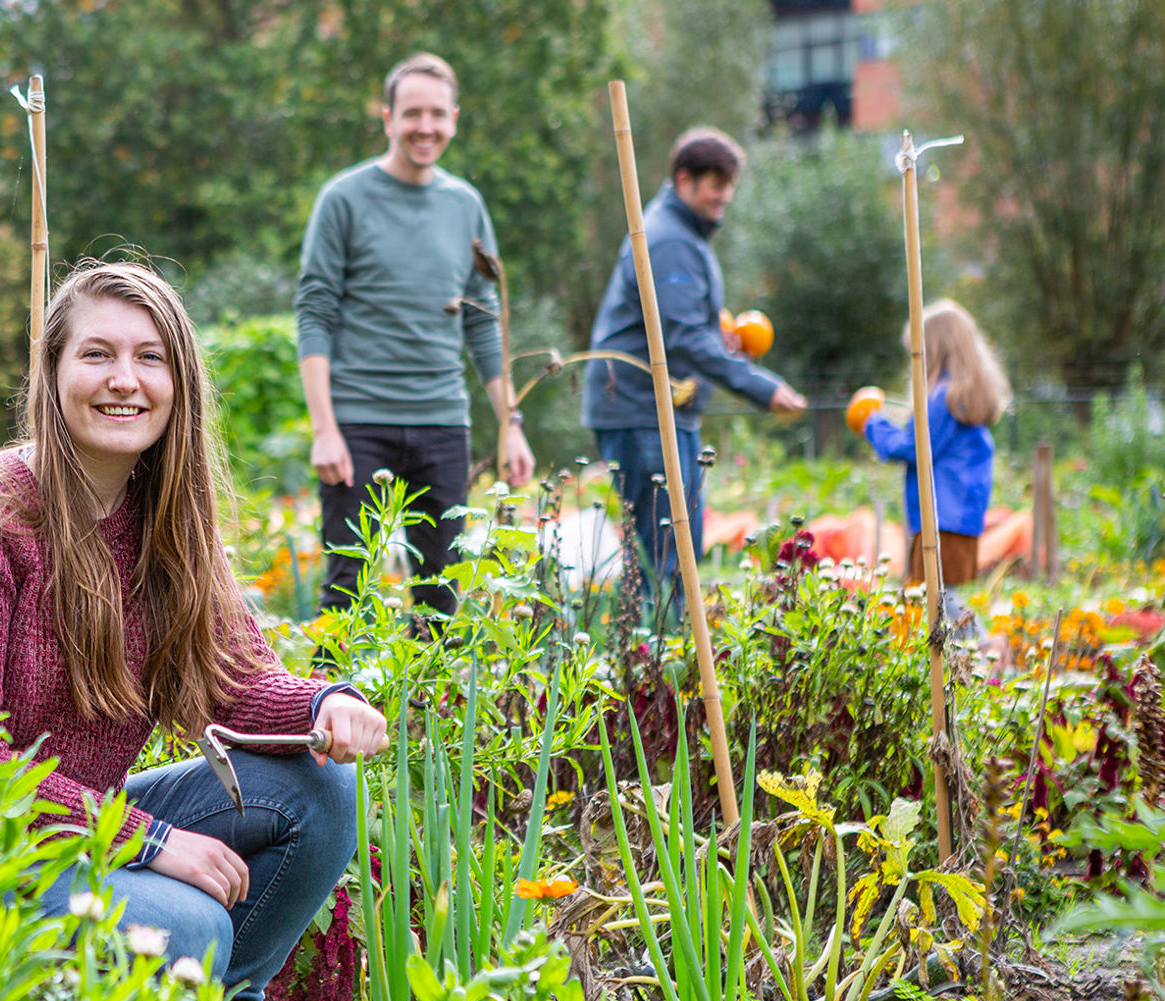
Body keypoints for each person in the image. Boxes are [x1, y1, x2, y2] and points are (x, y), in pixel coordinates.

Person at [0, 262, 387, 1001]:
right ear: (51, 373)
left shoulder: (167, 520)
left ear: (179, 384)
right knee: (190, 923)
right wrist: (147, 843)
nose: (125, 380)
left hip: (74, 824)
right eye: (96, 354)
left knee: (318, 788)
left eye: (150, 357)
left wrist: (329, 702)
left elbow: (237, 681)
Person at [296, 53, 535, 622]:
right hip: (358, 425)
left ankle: (427, 710)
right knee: (347, 591)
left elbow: (483, 320)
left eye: (437, 114)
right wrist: (324, 429)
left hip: (443, 423)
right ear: (387, 118)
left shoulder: (465, 205)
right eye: (411, 113)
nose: (424, 127)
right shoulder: (343, 199)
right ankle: (331, 712)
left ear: (454, 118)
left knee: (442, 594)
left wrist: (511, 425)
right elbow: (314, 312)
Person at [581, 127, 808, 595]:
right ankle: (656, 658)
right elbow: (681, 337)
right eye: (715, 186)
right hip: (641, 409)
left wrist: (718, 336)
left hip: (663, 409)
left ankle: (666, 653)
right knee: (665, 553)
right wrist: (760, 387)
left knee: (678, 548)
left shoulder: (681, 235)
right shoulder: (670, 241)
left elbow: (679, 325)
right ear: (685, 179)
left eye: (728, 188)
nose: (724, 198)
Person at [849, 299, 1011, 587]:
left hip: (940, 522)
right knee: (944, 599)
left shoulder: (943, 399)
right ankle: (974, 634)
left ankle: (981, 636)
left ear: (932, 350)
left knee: (938, 602)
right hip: (959, 520)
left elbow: (914, 448)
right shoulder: (962, 397)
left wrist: (874, 424)